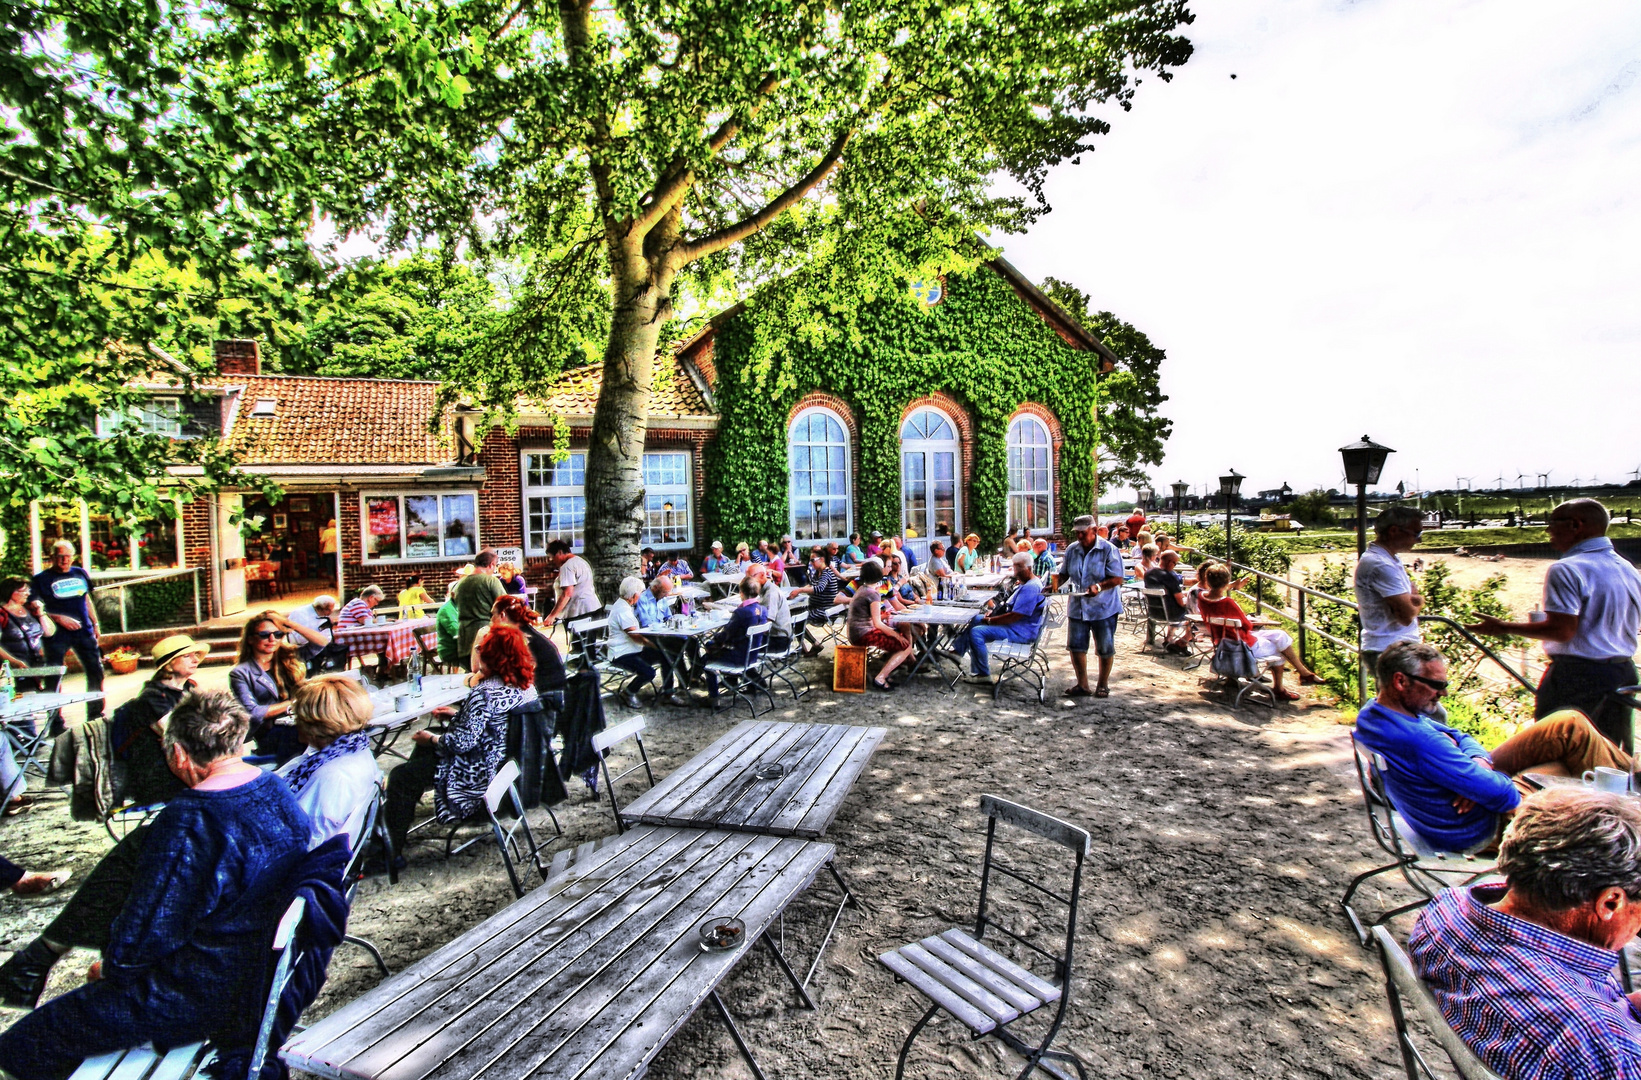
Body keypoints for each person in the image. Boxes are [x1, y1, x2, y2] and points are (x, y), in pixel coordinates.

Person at [0, 692, 309, 1073]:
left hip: (200, 992)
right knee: (137, 848)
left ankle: (41, 957)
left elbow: (144, 938)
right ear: (236, 739)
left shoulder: (189, 821)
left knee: (21, 1044)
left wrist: (112, 969)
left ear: (178, 754)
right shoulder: (274, 789)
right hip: (258, 967)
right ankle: (40, 956)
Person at [1407, 789, 1641, 1079]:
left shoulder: (1446, 908)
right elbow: (1589, 1034)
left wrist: (1628, 1006)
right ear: (1610, 902)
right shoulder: (1606, 1050)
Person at [1357, 641, 1635, 852]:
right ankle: (1631, 811)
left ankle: (1631, 790)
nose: (1443, 692)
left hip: (1454, 813)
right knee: (1571, 749)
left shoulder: (1374, 714)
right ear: (1400, 681)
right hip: (1483, 826)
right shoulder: (1419, 740)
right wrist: (1481, 783)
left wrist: (1479, 765)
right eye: (1436, 684)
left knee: (1568, 726)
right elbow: (1505, 797)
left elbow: (1457, 734)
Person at [1468, 498, 1641, 748]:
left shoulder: (1567, 568)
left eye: (1552, 523)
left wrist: (1504, 627)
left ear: (1575, 525)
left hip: (1578, 676)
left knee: (1555, 748)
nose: (1547, 530)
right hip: (1622, 671)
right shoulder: (1626, 568)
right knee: (1610, 754)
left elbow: (1561, 631)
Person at [383, 625, 534, 855]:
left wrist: (432, 739)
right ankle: (402, 816)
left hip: (477, 773)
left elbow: (461, 743)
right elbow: (495, 723)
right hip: (506, 762)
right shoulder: (525, 687)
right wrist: (456, 716)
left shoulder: (483, 693)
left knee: (400, 775)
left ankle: (389, 850)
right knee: (426, 747)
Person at [276, 674, 382, 849]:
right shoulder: (355, 748)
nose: (295, 721)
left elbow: (309, 842)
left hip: (302, 861)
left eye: (297, 715)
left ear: (315, 724)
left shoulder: (331, 776)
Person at [110, 634, 210, 807]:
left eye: (195, 655)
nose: (195, 659)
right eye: (187, 656)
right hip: (158, 772)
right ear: (169, 665)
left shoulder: (189, 687)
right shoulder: (153, 697)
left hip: (182, 761)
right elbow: (175, 735)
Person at [1196, 563, 1320, 700]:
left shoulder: (1202, 597)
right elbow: (1247, 626)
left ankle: (1304, 673)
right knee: (1280, 647)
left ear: (1207, 580)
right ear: (1226, 582)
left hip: (1222, 642)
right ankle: (1281, 688)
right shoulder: (1227, 603)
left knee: (1280, 635)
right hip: (1242, 646)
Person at [1354, 505, 1428, 693]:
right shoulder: (1381, 565)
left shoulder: (1387, 559)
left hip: (1389, 647)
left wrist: (1411, 600)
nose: (1418, 540)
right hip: (1390, 649)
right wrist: (1418, 600)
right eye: (1416, 533)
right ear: (1394, 531)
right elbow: (1406, 615)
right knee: (1425, 711)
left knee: (1399, 710)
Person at [948, 553, 1047, 684]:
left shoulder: (1031, 587)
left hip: (1021, 632)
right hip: (1020, 626)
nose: (1016, 572)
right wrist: (992, 615)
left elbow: (1014, 616)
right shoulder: (1028, 583)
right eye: (1015, 567)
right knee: (977, 618)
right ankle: (957, 652)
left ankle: (983, 674)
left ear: (1028, 567)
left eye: (1019, 568)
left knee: (977, 632)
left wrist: (991, 621)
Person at [1055, 515, 1125, 699]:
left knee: (1104, 647)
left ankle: (1102, 684)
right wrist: (1054, 585)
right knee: (1076, 646)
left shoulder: (1108, 549)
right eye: (1077, 533)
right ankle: (1082, 684)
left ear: (1094, 530)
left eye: (1083, 533)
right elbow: (1064, 574)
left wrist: (1100, 586)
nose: (1079, 536)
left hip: (1103, 606)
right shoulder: (1072, 550)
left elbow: (1118, 578)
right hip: (1078, 605)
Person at [32, 541, 103, 722]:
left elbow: (86, 599)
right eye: (60, 556)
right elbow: (33, 609)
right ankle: (55, 721)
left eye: (68, 556)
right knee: (54, 676)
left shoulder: (80, 573)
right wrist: (59, 618)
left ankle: (95, 714)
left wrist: (95, 624)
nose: (64, 560)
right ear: (52, 557)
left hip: (83, 631)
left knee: (96, 671)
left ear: (73, 557)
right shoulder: (40, 580)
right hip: (56, 635)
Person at [228, 610, 308, 763]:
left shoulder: (289, 661)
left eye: (278, 634)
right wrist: (293, 703)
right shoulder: (241, 673)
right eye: (264, 635)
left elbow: (322, 643)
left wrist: (291, 625)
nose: (272, 639)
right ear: (251, 639)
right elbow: (254, 712)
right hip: (272, 732)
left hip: (299, 723)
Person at [607, 576, 677, 708]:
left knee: (666, 655)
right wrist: (652, 645)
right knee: (649, 672)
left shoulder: (625, 605)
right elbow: (636, 636)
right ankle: (628, 693)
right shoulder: (622, 610)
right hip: (622, 653)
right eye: (640, 593)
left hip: (633, 649)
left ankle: (669, 692)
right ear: (634, 595)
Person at [488, 594, 569, 706]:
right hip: (557, 696)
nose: (491, 620)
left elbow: (502, 675)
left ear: (502, 615)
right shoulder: (529, 633)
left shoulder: (518, 639)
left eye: (493, 615)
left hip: (543, 702)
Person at [846, 561, 916, 691]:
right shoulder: (873, 594)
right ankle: (881, 678)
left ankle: (887, 674)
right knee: (906, 645)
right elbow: (877, 623)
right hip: (863, 633)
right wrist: (895, 634)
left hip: (855, 631)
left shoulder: (862, 589)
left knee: (900, 639)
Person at [699, 578, 768, 707]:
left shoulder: (741, 612)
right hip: (754, 655)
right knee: (713, 647)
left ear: (741, 593)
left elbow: (726, 634)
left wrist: (714, 640)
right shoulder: (763, 610)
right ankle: (748, 685)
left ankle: (714, 697)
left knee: (706, 658)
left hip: (739, 658)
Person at [0, 577, 54, 690]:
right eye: (23, 590)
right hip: (18, 670)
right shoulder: (2, 614)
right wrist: (14, 662)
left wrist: (41, 613)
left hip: (39, 666)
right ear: (11, 592)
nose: (28, 593)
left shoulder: (29, 609)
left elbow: (49, 632)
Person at [453, 550, 505, 663]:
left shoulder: (460, 584)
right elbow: (505, 604)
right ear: (491, 564)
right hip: (485, 636)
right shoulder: (491, 581)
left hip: (464, 638)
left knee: (471, 676)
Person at [791, 549, 845, 657]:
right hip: (815, 606)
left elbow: (818, 588)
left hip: (825, 609)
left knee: (798, 618)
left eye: (812, 560)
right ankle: (802, 647)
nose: (811, 563)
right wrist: (799, 590)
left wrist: (800, 590)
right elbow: (812, 585)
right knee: (791, 614)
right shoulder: (817, 573)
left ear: (821, 559)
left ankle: (815, 644)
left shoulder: (826, 572)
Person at [1143, 550, 1193, 654]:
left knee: (1174, 606)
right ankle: (1182, 642)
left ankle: (1169, 639)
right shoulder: (1170, 576)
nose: (1174, 566)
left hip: (1153, 612)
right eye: (1175, 563)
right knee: (1191, 611)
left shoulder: (1148, 573)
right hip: (1170, 614)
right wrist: (1189, 602)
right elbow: (1180, 602)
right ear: (1170, 562)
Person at [543, 539, 600, 628]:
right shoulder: (581, 561)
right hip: (592, 606)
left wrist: (552, 616)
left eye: (552, 557)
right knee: (588, 640)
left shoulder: (567, 566)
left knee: (578, 641)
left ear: (560, 552)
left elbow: (567, 593)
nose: (552, 560)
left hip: (579, 611)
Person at [285, 594, 340, 672]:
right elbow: (300, 639)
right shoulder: (302, 615)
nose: (331, 612)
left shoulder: (319, 613)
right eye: (330, 609)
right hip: (303, 648)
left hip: (318, 646)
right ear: (322, 608)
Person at [748, 563, 792, 654]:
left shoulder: (771, 593)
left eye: (750, 578)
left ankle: (749, 667)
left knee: (741, 644)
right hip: (777, 637)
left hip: (777, 640)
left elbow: (765, 625)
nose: (748, 582)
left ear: (762, 575)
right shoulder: (765, 590)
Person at [435, 581, 461, 667]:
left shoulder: (460, 606)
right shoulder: (446, 610)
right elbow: (456, 632)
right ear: (453, 594)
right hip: (450, 650)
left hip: (459, 647)